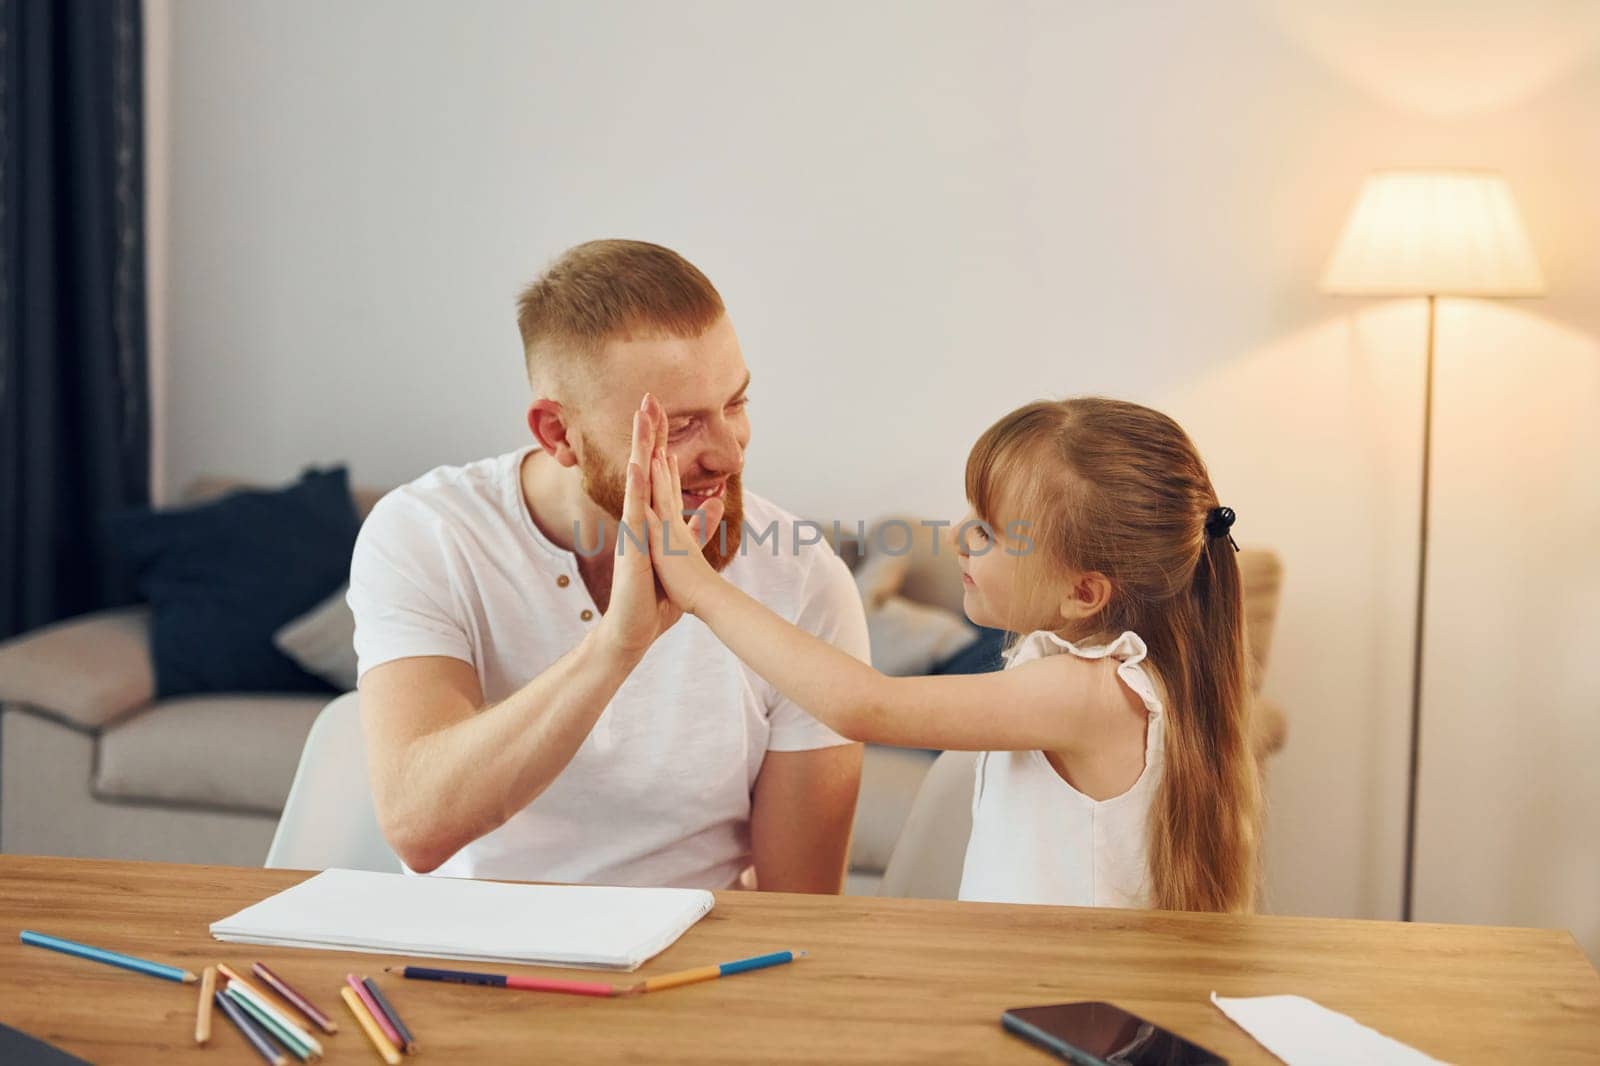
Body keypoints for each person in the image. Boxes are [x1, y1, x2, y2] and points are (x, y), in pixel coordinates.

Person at [348, 240, 866, 891]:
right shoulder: (429, 533)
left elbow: (804, 908)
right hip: (475, 958)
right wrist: (617, 647)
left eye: (735, 404)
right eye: (678, 428)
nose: (729, 455)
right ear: (557, 434)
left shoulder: (801, 575)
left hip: (699, 963)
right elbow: (418, 827)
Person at [635, 394, 1260, 912]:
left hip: (1068, 1006)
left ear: (1083, 592)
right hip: (1034, 994)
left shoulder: (1088, 693)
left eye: (986, 531)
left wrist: (702, 589)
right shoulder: (1075, 675)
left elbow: (864, 706)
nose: (957, 536)